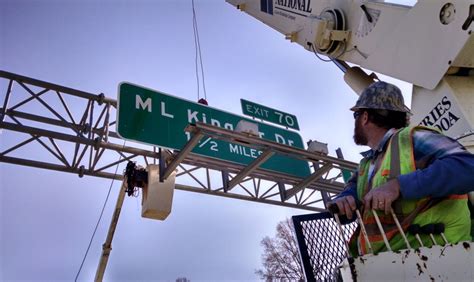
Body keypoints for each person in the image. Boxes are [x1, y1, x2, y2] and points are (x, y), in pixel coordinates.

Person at [329, 81, 474, 255]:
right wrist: (343, 202)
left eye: (356, 116)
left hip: (438, 257)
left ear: (365, 116)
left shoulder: (411, 138)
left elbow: (468, 167)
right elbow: (352, 194)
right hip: (388, 261)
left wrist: (398, 186)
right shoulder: (366, 165)